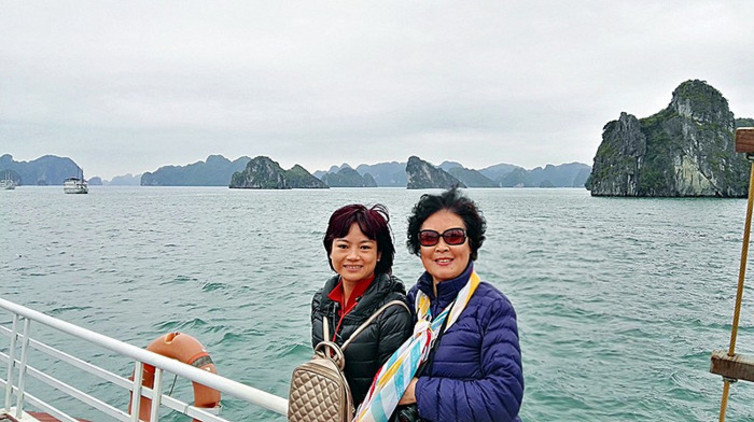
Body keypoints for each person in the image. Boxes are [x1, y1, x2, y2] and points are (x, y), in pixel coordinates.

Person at [397, 187, 524, 422]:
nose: (441, 247)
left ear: (471, 244)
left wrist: (418, 391)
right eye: (429, 238)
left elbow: (504, 398)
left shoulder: (493, 307)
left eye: (453, 236)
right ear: (419, 247)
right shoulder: (415, 300)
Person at [311, 203, 413, 408]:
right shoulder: (322, 301)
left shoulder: (393, 312)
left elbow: (393, 391)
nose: (353, 256)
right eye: (343, 246)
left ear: (379, 254)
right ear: (330, 250)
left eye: (365, 247)